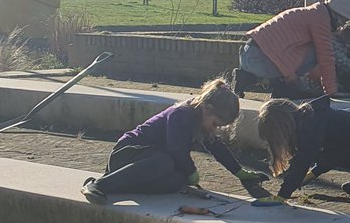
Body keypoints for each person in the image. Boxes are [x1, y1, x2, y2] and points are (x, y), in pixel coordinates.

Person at [79, 78, 268, 203]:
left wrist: (240, 172)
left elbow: (217, 148)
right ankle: (98, 184)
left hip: (151, 160)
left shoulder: (201, 120)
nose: (215, 129)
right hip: (128, 154)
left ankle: (120, 186)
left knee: (177, 181)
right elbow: (177, 150)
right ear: (207, 108)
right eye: (215, 124)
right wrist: (192, 171)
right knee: (166, 163)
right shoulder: (181, 114)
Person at [234, 0, 350, 98]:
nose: (341, 26)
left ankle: (246, 78)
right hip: (258, 59)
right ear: (336, 15)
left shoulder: (312, 13)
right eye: (343, 21)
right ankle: (283, 88)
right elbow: (326, 57)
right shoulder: (320, 19)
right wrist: (332, 91)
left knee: (307, 51)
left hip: (248, 54)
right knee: (316, 52)